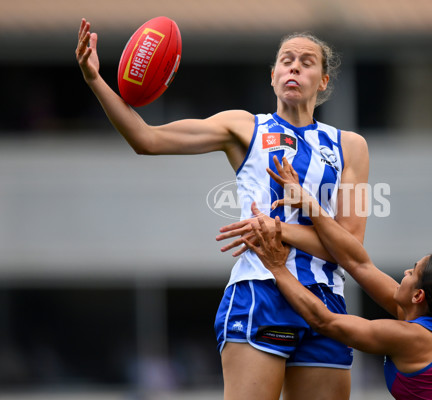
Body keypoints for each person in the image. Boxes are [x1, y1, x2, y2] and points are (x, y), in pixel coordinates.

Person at [76, 18, 369, 400]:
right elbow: (147, 139)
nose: (294, 66)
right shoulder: (243, 127)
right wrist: (94, 78)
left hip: (327, 298)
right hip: (260, 292)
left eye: (307, 61)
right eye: (286, 59)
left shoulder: (351, 146)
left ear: (324, 81)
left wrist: (277, 230)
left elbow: (351, 249)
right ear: (273, 75)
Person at [239, 156, 432, 400]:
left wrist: (278, 268)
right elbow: (358, 264)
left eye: (412, 273)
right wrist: (309, 205)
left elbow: (325, 322)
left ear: (418, 296)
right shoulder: (430, 326)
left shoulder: (411, 337)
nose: (405, 273)